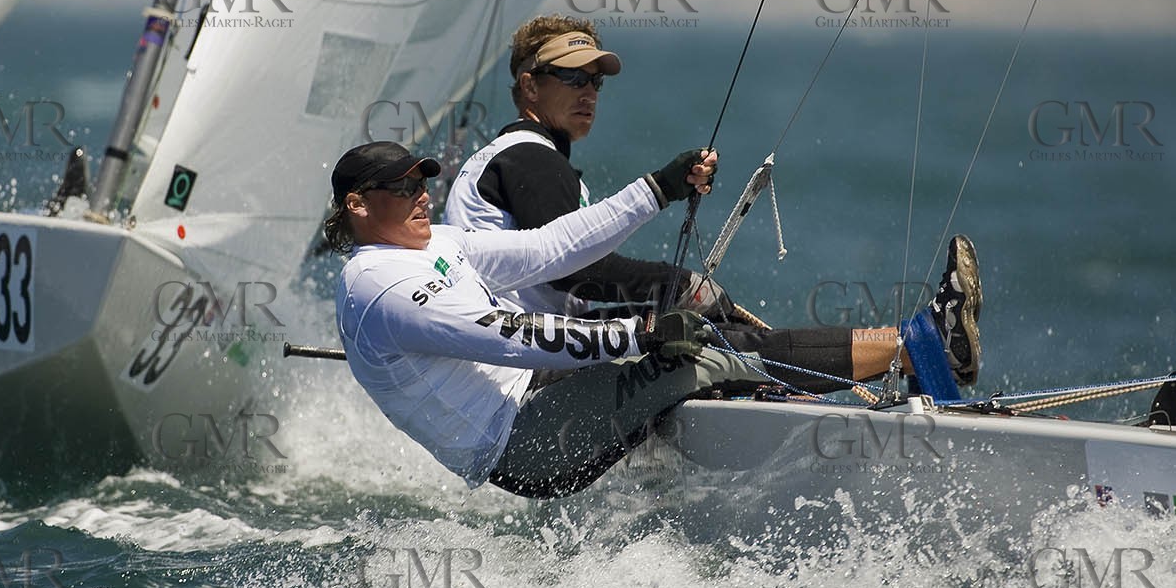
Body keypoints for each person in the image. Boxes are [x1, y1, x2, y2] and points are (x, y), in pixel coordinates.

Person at [327, 140, 977, 499]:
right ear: (358, 205)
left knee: (709, 341)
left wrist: (657, 188)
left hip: (545, 395)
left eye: (422, 183)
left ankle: (876, 366)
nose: (421, 196)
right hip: (522, 445)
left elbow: (550, 247)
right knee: (705, 351)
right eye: (403, 189)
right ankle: (922, 348)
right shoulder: (377, 287)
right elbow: (510, 337)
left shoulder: (435, 243)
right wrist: (638, 334)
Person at [442, 15, 981, 392]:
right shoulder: (529, 159)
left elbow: (563, 277)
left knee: (707, 329)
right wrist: (676, 286)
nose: (588, 92)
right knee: (716, 341)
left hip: (529, 361)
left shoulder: (513, 157)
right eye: (572, 77)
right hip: (529, 382)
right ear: (529, 87)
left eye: (596, 81)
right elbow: (572, 272)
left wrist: (676, 293)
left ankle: (895, 359)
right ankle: (921, 348)